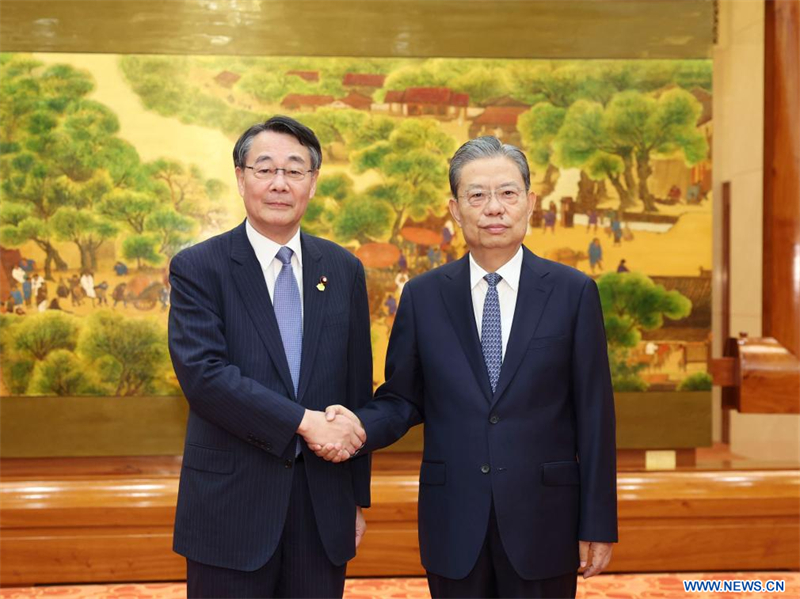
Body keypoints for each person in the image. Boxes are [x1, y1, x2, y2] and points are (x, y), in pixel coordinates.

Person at [315, 137, 617, 598]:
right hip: (454, 519)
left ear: (530, 203)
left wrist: (597, 521)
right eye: (477, 195)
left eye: (508, 193)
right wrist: (356, 426)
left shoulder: (573, 292)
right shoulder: (424, 296)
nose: (493, 207)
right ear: (455, 210)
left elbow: (595, 415)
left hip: (545, 519)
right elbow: (402, 398)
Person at [168, 116, 372, 599]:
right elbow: (205, 377)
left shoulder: (343, 269)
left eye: (294, 170)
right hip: (229, 511)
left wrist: (356, 499)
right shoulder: (199, 267)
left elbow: (356, 388)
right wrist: (304, 421)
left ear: (313, 182)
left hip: (322, 510)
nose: (279, 183)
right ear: (241, 179)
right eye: (265, 169)